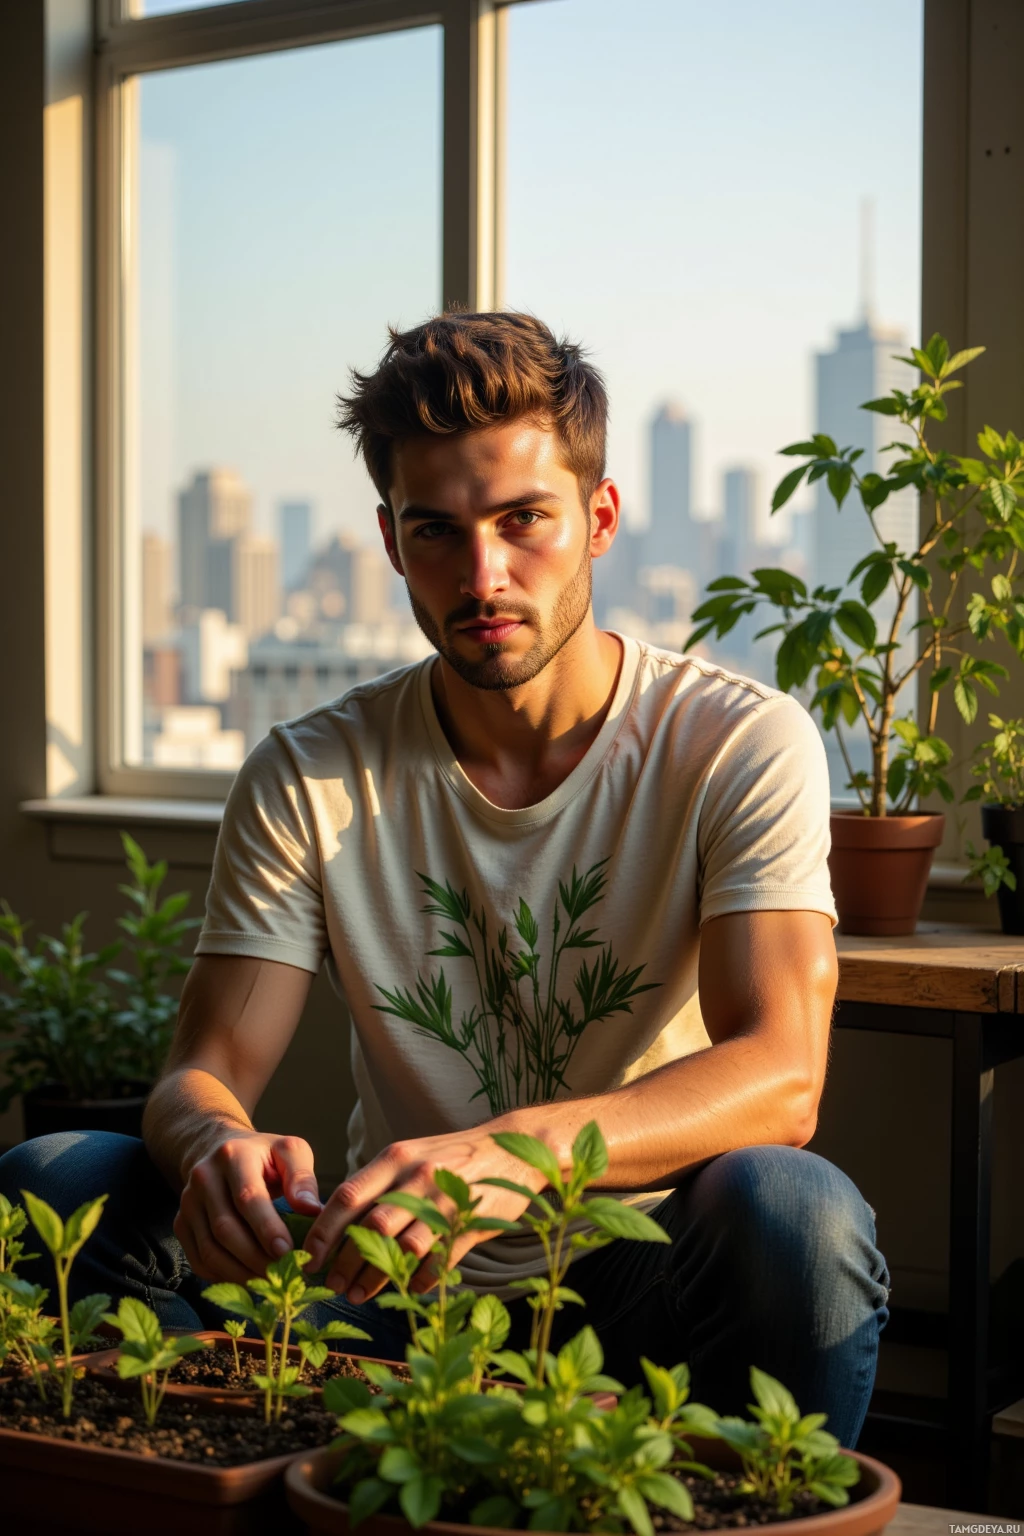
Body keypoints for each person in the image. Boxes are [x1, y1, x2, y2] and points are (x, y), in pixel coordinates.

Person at [0, 311, 888, 1446]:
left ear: (598, 518)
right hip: (383, 1304)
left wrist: (506, 1161)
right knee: (56, 1179)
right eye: (437, 533)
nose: (483, 575)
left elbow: (780, 1074)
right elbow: (204, 1069)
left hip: (637, 1292)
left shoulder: (734, 739)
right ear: (389, 541)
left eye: (524, 522)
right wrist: (216, 1149)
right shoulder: (309, 771)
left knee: (795, 1215)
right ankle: (248, 1472)